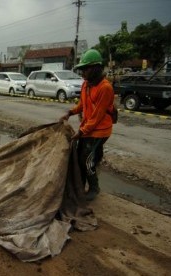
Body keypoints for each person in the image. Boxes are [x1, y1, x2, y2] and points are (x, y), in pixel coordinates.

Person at [59, 49, 115, 201]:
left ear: (96, 68)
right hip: (88, 129)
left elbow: (97, 116)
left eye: (86, 69)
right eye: (82, 69)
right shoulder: (86, 85)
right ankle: (80, 184)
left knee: (87, 159)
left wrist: (81, 131)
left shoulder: (105, 88)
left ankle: (94, 188)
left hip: (100, 131)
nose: (82, 73)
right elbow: (82, 105)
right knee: (80, 156)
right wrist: (70, 113)